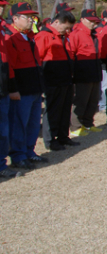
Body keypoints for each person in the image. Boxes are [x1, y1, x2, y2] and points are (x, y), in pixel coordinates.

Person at [5, 2, 46, 170]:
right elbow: (10, 66)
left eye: (32, 17)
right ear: (15, 19)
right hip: (22, 90)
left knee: (33, 123)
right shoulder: (11, 37)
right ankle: (18, 155)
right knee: (19, 123)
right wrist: (13, 88)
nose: (31, 21)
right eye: (27, 17)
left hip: (35, 88)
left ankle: (29, 151)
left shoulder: (30, 37)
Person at [35, 10, 78, 151]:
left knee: (65, 110)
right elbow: (38, 59)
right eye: (66, 27)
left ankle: (63, 136)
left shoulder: (63, 36)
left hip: (65, 79)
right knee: (53, 110)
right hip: (52, 80)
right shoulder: (44, 36)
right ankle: (50, 139)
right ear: (56, 22)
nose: (68, 30)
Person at [68, 9, 103, 136]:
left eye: (95, 21)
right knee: (81, 100)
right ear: (82, 20)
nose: (93, 23)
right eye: (90, 21)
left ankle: (88, 123)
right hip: (82, 72)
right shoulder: (76, 34)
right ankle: (76, 126)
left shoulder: (94, 34)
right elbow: (71, 53)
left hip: (94, 70)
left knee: (93, 100)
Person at [0, 0, 21, 178]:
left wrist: (12, 87)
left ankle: (1, 165)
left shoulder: (2, 31)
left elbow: (6, 63)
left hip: (3, 89)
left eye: (2, 7)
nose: (1, 10)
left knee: (3, 131)